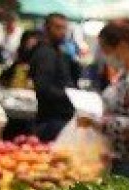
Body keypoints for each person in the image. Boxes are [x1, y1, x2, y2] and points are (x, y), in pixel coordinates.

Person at [85, 23, 129, 180]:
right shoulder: (124, 75)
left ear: (123, 46)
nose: (105, 55)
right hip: (117, 159)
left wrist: (97, 122)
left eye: (106, 49)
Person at [29, 13, 77, 141]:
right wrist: (71, 96)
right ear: (47, 28)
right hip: (51, 121)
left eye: (64, 28)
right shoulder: (45, 53)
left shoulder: (57, 51)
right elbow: (43, 88)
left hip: (58, 119)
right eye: (58, 27)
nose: (62, 32)